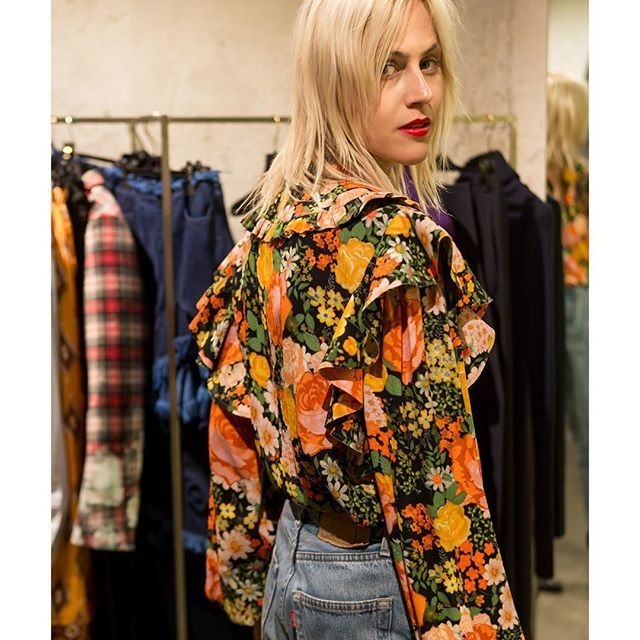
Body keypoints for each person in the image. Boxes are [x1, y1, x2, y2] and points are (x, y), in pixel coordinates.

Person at [189, 1, 525, 638]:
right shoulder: (390, 243)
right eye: (388, 68)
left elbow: (234, 430)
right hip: (376, 582)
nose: (422, 92)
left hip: (293, 562)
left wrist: (242, 577)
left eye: (430, 63)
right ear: (333, 77)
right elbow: (434, 482)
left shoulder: (272, 227)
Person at [546, 72, 589, 521]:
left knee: (583, 424)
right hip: (567, 297)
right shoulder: (544, 177)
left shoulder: (581, 179)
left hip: (574, 298)